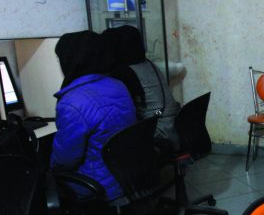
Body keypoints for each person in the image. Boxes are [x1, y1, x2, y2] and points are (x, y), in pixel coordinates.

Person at [51, 30, 137, 201]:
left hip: (98, 184)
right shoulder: (118, 85)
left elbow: (65, 161)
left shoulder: (72, 102)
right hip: (127, 173)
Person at [101, 25, 181, 155]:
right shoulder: (148, 64)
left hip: (159, 134)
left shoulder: (126, 72)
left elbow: (122, 111)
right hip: (172, 128)